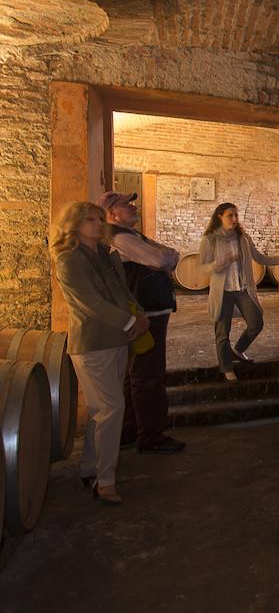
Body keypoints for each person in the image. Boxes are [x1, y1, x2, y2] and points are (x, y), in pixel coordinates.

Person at [51, 201, 150, 505]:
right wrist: (131, 321)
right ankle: (104, 481)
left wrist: (140, 315)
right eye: (89, 220)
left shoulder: (108, 255)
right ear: (74, 224)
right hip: (93, 343)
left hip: (119, 339)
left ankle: (89, 467)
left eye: (98, 219)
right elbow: (90, 303)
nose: (97, 224)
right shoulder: (69, 260)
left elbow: (123, 293)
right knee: (112, 408)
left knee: (99, 410)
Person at [100, 191, 186, 454]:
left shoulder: (130, 236)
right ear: (112, 213)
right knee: (148, 374)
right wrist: (166, 258)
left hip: (147, 311)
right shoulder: (121, 237)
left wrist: (167, 257)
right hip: (145, 315)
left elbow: (168, 256)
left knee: (136, 373)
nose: (133, 206)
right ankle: (151, 436)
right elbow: (163, 258)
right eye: (127, 204)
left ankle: (131, 429)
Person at [199, 202, 279, 382]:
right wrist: (220, 263)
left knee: (256, 322)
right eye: (230, 215)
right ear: (219, 216)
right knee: (222, 332)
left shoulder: (243, 238)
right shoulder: (210, 239)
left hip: (243, 289)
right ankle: (227, 368)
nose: (235, 219)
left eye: (236, 215)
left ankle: (239, 349)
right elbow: (202, 268)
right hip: (223, 292)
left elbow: (259, 257)